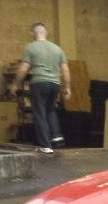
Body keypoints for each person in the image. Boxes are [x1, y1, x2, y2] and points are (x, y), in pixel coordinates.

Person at [9, 23, 70, 154]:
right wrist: (67, 88)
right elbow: (65, 70)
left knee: (40, 113)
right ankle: (57, 136)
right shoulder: (57, 49)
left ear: (33, 33)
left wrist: (15, 84)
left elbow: (23, 69)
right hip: (55, 84)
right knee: (50, 110)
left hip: (39, 83)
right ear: (45, 32)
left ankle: (46, 146)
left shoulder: (30, 47)